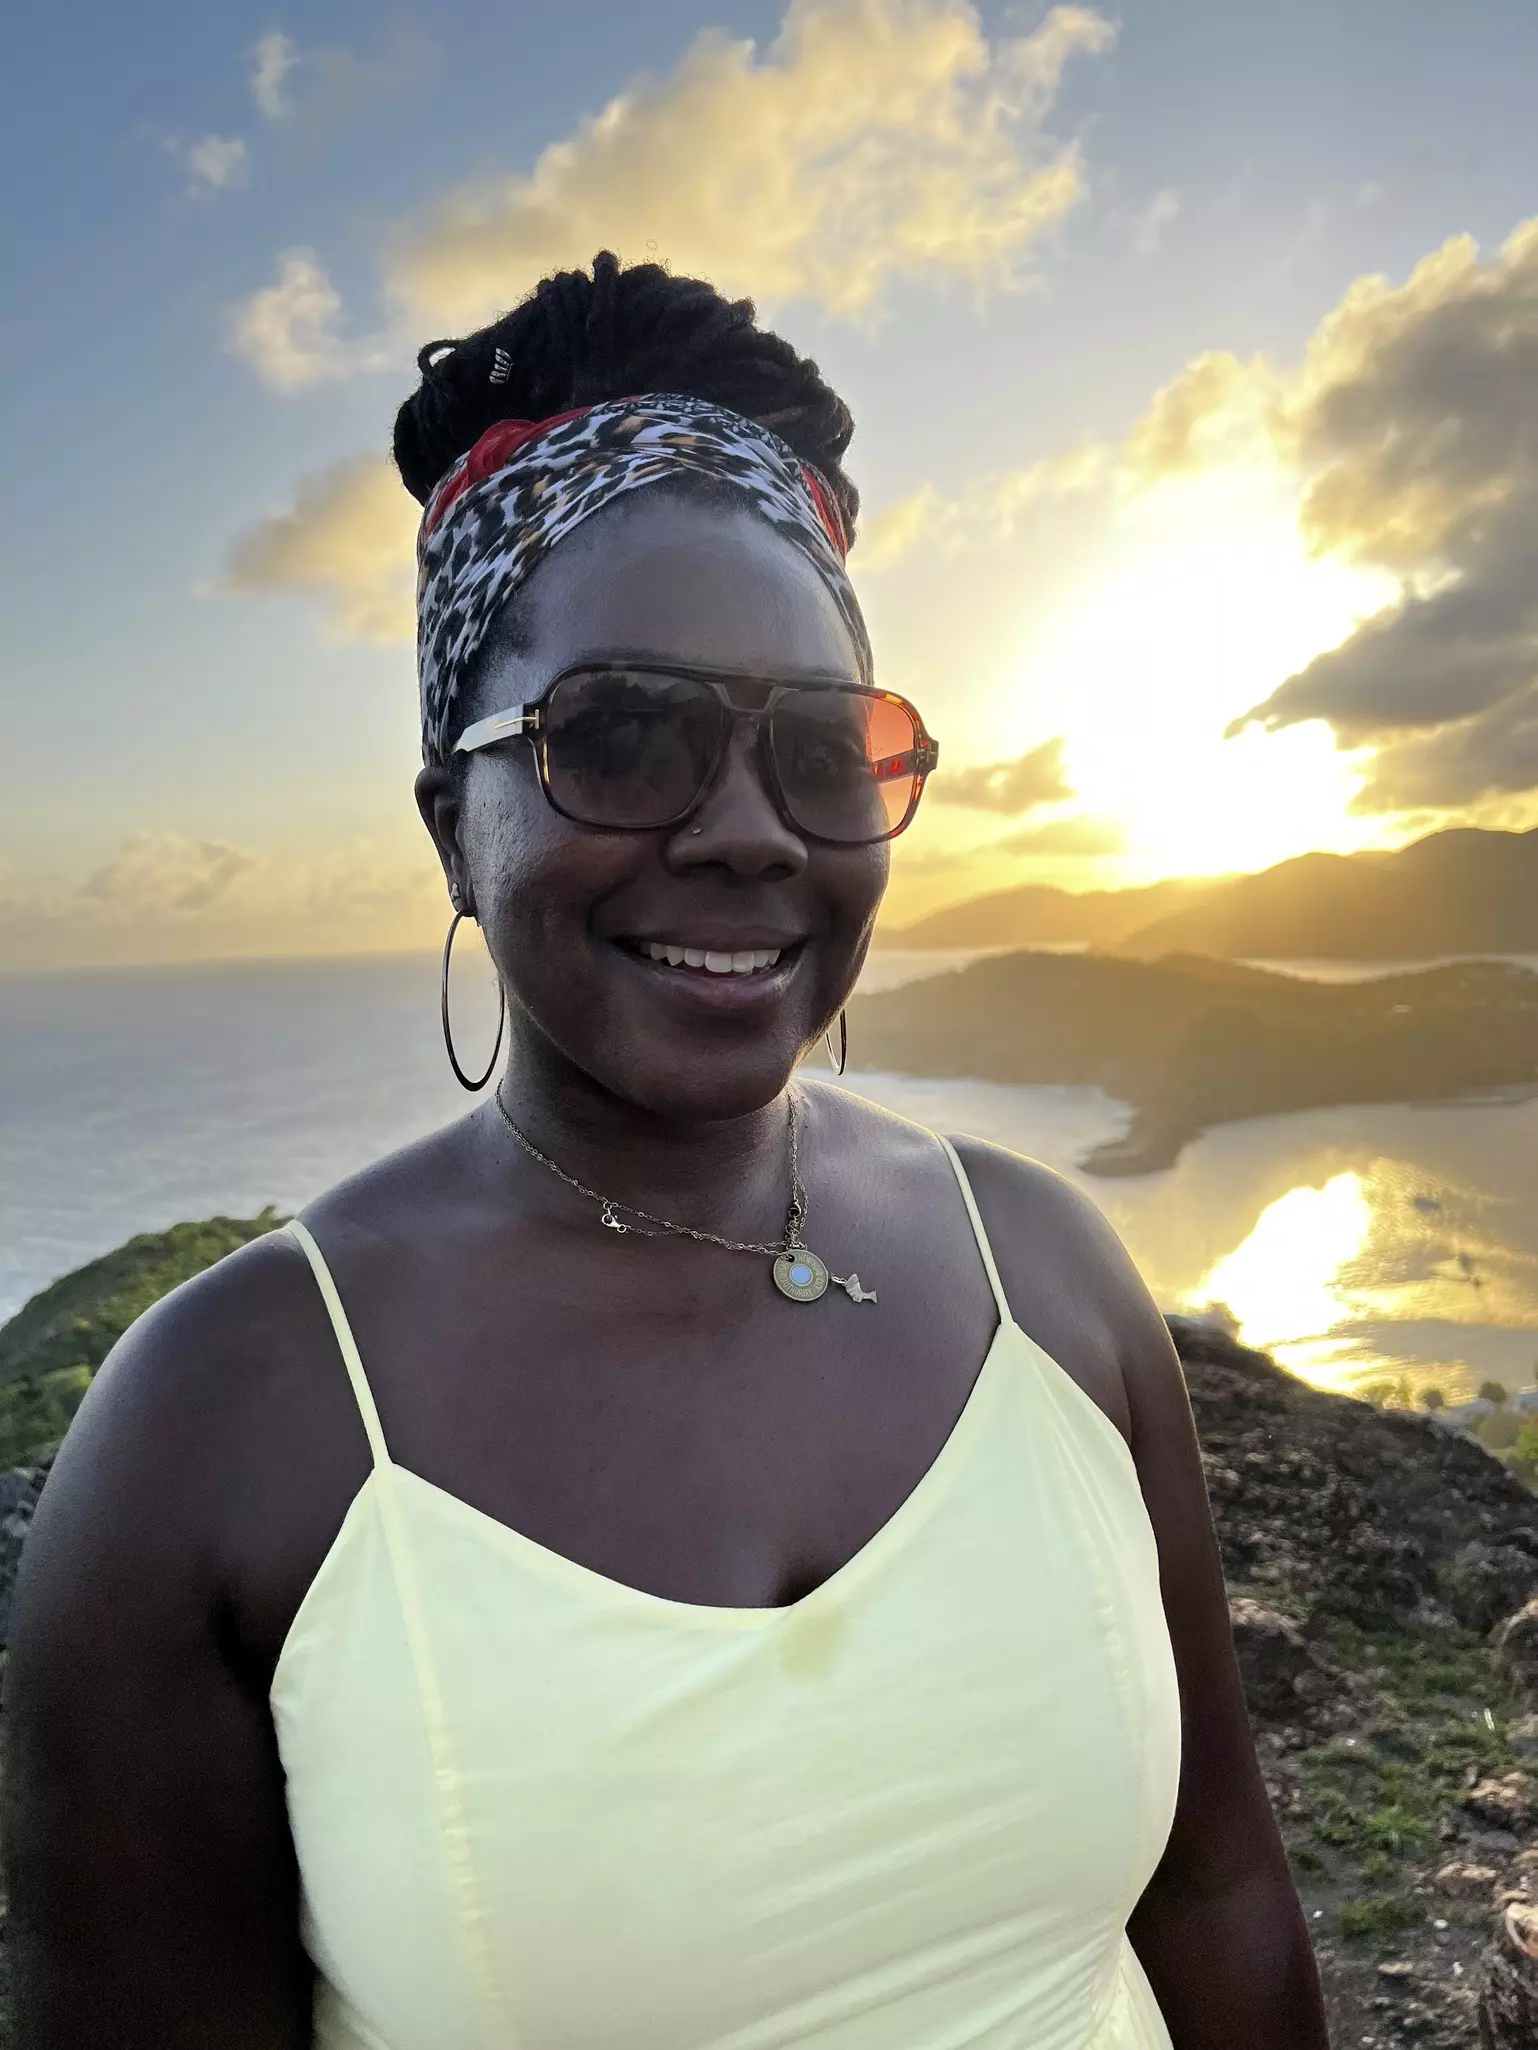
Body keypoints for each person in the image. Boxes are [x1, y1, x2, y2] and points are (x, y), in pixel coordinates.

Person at [1, 253, 1329, 2049]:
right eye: (617, 736)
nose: (743, 833)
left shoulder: (1055, 1279)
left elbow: (1219, 1897)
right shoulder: (219, 1430)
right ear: (449, 824)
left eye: (817, 752)